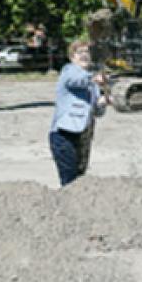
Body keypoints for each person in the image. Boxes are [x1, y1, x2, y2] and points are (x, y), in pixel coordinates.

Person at [49, 40, 108, 186]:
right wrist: (94, 78)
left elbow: (96, 111)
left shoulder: (92, 83)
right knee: (70, 180)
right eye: (79, 52)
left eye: (86, 52)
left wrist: (104, 101)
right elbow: (75, 81)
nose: (84, 55)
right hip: (64, 135)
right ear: (72, 57)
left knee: (80, 180)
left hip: (83, 136)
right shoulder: (69, 71)